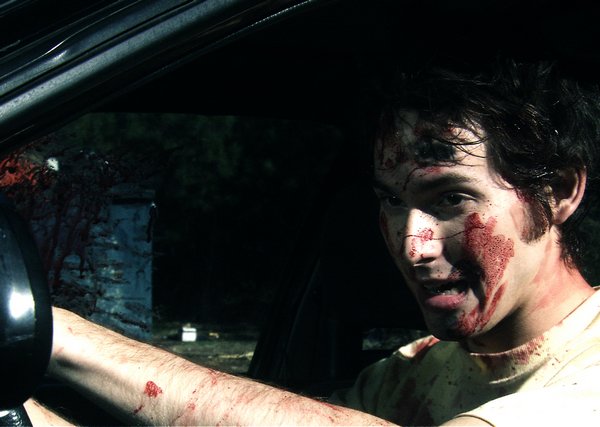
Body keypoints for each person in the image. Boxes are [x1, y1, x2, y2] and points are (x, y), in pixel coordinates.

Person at [26, 58, 600, 425]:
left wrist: (55, 333)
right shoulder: (410, 374)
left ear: (559, 191)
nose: (412, 245)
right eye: (391, 201)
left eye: (451, 197)